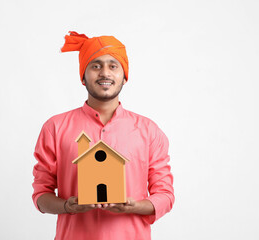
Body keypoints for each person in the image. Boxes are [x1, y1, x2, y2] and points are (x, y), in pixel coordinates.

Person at [32, 31, 174, 240]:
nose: (105, 73)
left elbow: (166, 195)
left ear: (124, 75)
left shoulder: (148, 131)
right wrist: (67, 206)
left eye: (113, 65)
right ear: (83, 76)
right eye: (96, 65)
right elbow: (40, 195)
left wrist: (135, 206)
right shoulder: (55, 127)